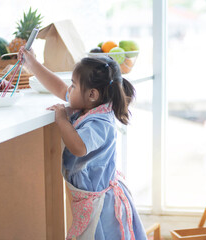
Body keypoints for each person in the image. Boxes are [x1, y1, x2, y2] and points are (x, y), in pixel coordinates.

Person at [19, 47, 147, 240]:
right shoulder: (90, 106)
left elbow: (78, 147)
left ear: (92, 95)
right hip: (91, 196)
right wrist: (32, 64)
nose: (69, 89)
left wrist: (62, 120)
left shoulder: (99, 123)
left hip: (101, 204)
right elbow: (60, 88)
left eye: (73, 85)